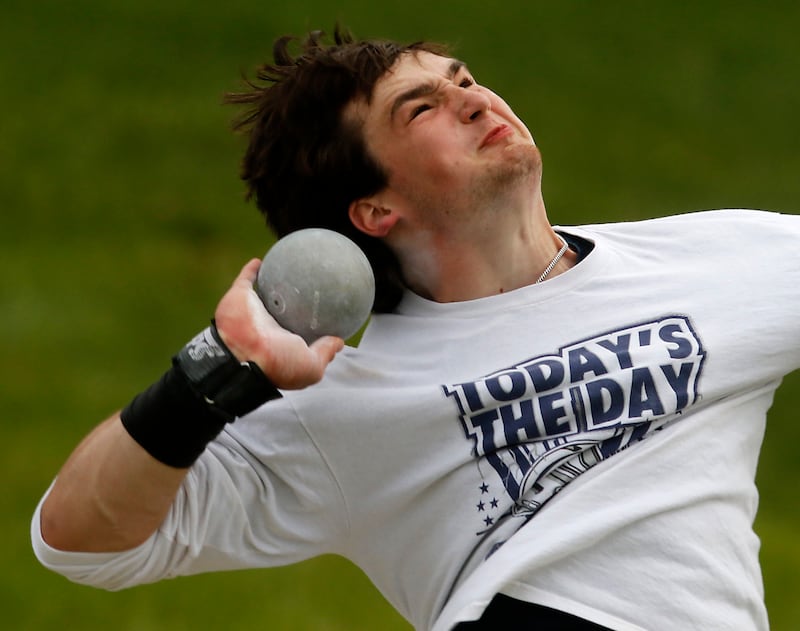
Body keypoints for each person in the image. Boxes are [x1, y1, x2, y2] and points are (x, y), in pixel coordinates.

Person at [31, 27, 799, 631]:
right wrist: (206, 374)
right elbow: (76, 539)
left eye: (462, 79)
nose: (473, 100)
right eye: (422, 107)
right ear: (373, 211)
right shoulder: (344, 404)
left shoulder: (724, 258)